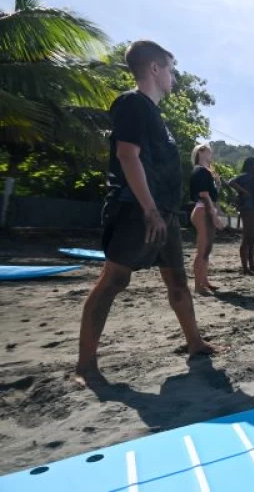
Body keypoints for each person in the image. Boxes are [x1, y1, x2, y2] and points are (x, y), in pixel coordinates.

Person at [76, 40, 216, 385]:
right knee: (114, 281)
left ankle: (195, 343)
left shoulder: (156, 115)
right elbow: (127, 155)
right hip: (136, 210)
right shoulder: (132, 103)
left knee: (178, 282)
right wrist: (149, 208)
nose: (173, 76)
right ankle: (85, 365)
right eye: (169, 68)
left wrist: (163, 211)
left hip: (163, 214)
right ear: (154, 68)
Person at [189, 143, 225, 295]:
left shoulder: (205, 172)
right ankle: (198, 286)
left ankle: (204, 281)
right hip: (203, 210)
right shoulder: (200, 170)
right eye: (210, 152)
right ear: (201, 152)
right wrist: (213, 214)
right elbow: (204, 195)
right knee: (202, 250)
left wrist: (216, 183)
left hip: (204, 209)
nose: (212, 155)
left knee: (206, 250)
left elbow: (210, 194)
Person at [228, 157, 254, 275]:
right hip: (248, 209)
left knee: (253, 239)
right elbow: (231, 182)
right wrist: (244, 192)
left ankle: (252, 266)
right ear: (250, 165)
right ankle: (245, 268)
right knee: (247, 238)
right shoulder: (245, 176)